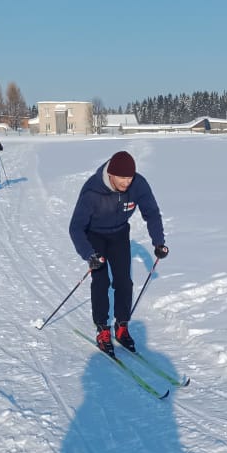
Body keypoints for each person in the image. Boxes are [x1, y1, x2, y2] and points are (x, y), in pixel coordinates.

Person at [69, 150, 169, 356]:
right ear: (111, 175)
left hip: (120, 233)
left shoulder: (138, 185)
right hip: (94, 235)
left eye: (130, 177)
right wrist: (89, 254)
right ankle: (102, 329)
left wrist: (158, 242)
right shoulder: (92, 192)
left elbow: (151, 213)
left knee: (124, 280)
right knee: (101, 280)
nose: (127, 182)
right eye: (122, 178)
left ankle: (121, 326)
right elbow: (76, 227)